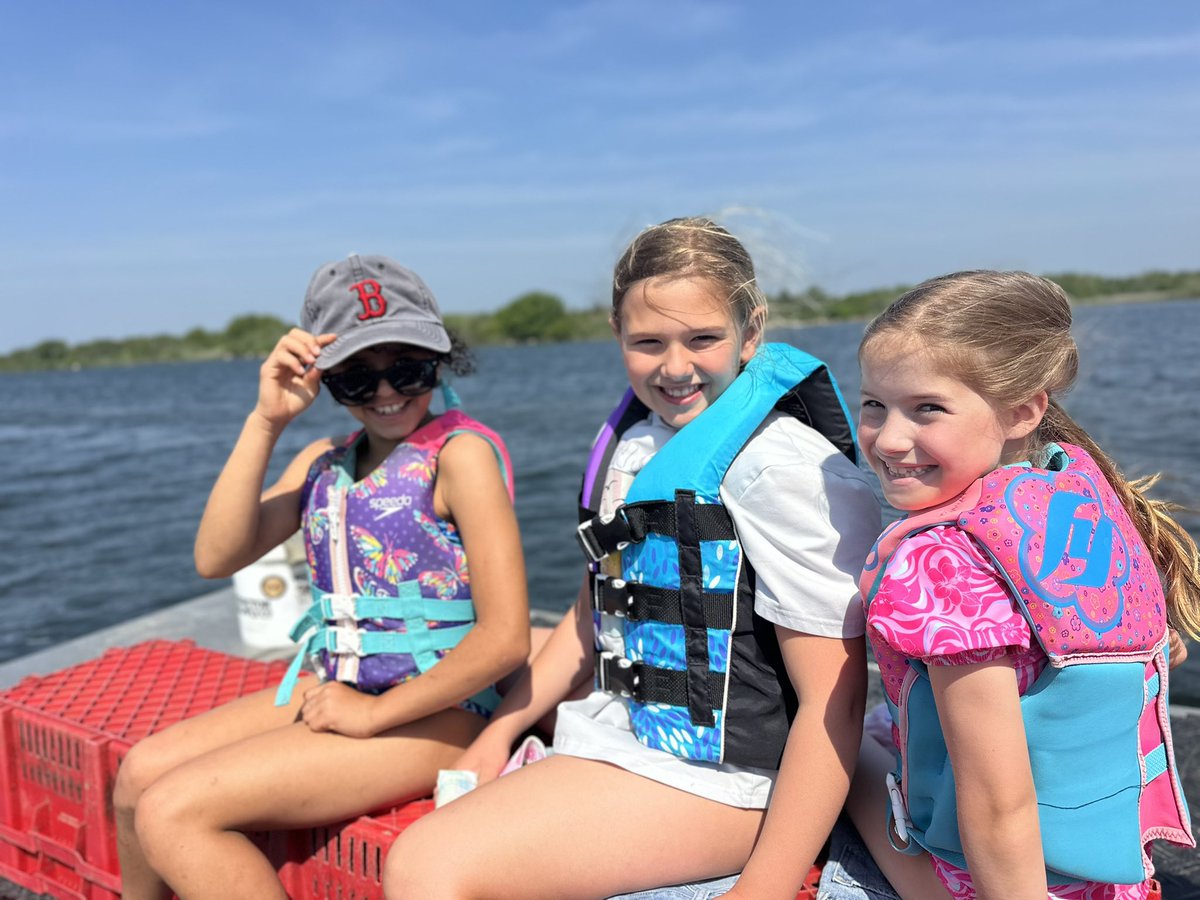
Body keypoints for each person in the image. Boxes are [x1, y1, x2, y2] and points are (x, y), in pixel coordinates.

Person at [383, 217, 884, 900]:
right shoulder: (640, 442)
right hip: (623, 735)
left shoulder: (780, 467)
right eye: (648, 343)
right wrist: (500, 731)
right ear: (617, 337)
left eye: (703, 338)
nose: (675, 368)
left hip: (729, 780)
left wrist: (764, 885)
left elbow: (837, 695)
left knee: (426, 866)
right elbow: (597, 609)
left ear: (752, 332)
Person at [112, 254, 531, 899]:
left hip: (444, 712)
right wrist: (267, 421)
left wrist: (375, 716)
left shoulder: (461, 456)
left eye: (408, 369)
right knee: (138, 777)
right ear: (324, 379)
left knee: (175, 810)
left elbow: (505, 639)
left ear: (441, 360)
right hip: (341, 686)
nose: (387, 393)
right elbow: (215, 557)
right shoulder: (323, 463)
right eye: (356, 380)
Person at [846, 270, 1199, 900]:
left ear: (1022, 411)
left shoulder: (938, 566)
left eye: (927, 408)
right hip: (1110, 869)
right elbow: (1156, 649)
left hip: (989, 882)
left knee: (842, 744)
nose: (889, 438)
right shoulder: (1079, 502)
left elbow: (997, 801)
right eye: (874, 404)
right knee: (880, 722)